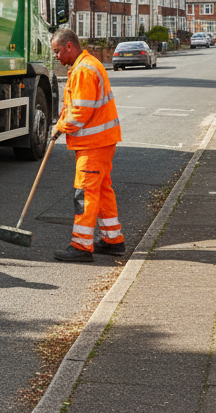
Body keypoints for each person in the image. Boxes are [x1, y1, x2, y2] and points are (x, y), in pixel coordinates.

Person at [49, 28, 124, 263]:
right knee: (101, 189)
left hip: (93, 144)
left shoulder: (83, 70)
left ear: (69, 46)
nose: (56, 57)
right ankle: (113, 239)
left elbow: (81, 112)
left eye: (57, 51)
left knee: (85, 193)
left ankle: (81, 246)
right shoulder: (86, 65)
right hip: (101, 141)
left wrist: (60, 127)